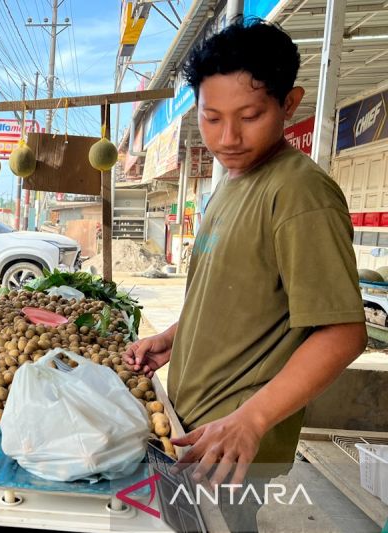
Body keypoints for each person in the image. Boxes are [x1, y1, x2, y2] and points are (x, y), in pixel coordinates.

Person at [123, 19, 365, 532]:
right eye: (211, 118)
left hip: (233, 443)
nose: (228, 137)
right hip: (193, 426)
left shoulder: (300, 194)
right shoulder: (233, 181)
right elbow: (234, 295)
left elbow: (344, 332)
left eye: (250, 116)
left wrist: (252, 420)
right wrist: (174, 337)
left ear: (290, 104)